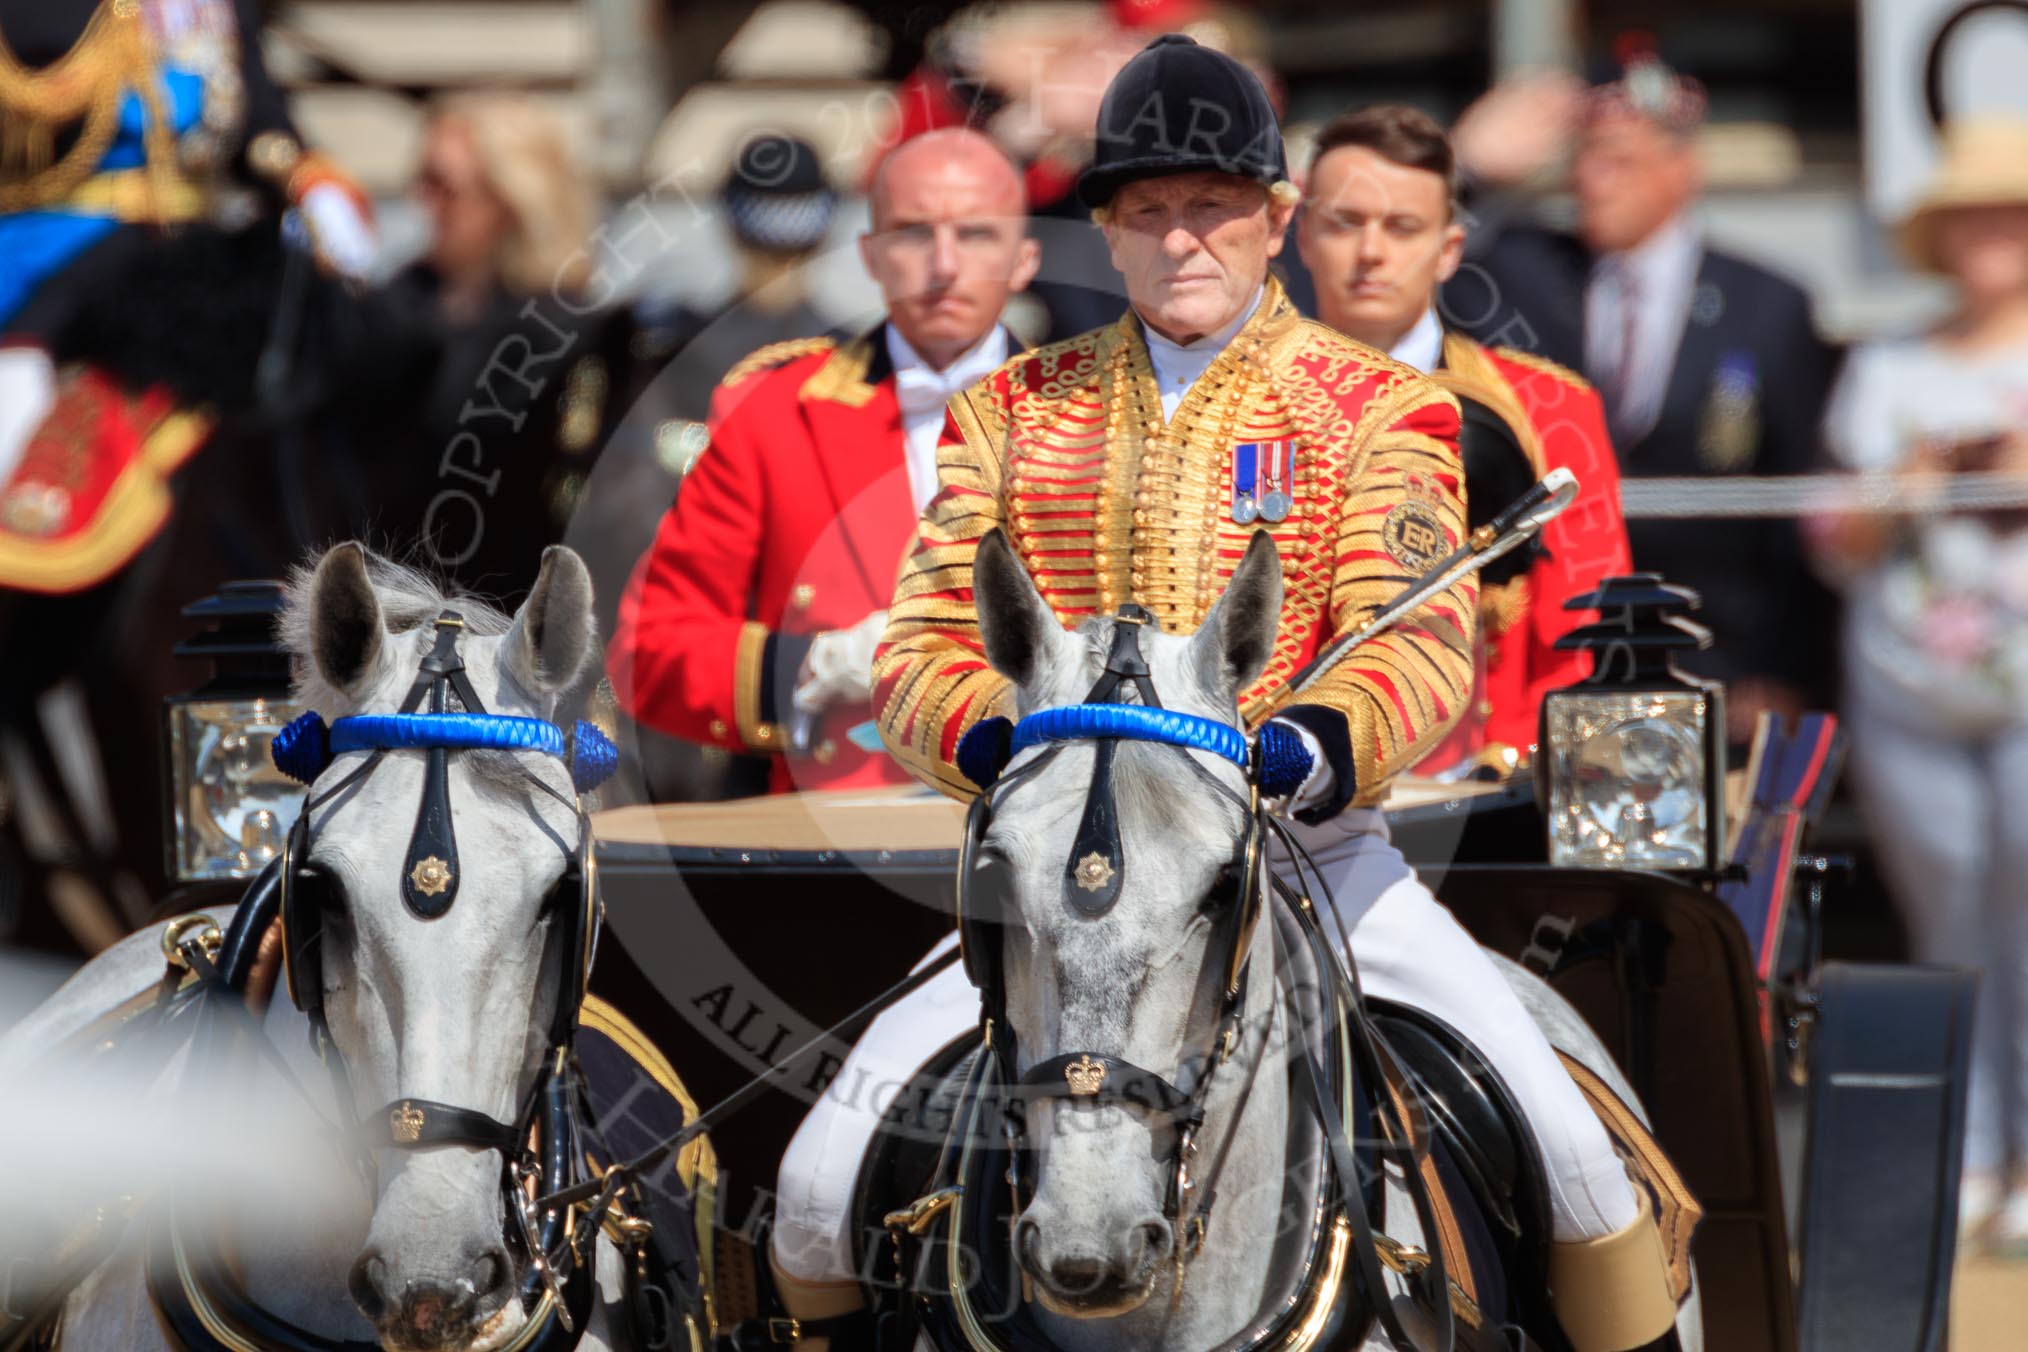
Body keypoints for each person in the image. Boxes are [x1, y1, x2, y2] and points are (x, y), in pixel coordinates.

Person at [771, 36, 1680, 1352]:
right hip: (1058, 877)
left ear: (1273, 222)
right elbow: (924, 642)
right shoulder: (1013, 414)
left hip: (1311, 851)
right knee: (810, 1189)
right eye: (1149, 210)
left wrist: (1317, 740)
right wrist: (992, 738)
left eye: (1211, 207)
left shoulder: (1382, 409)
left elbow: (1414, 643)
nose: (1182, 237)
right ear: (1109, 232)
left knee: (1582, 1174)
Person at [607, 129, 1041, 793]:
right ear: (870, 253)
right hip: (835, 829)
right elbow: (651, 652)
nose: (944, 264)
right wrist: (813, 667)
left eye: (976, 234)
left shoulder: (1099, 414)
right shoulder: (772, 411)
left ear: (1024, 259)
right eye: (913, 233)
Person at [1441, 42, 1839, 744]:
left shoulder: (1766, 304)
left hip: (1721, 660)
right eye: (1584, 160)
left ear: (1683, 168)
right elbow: (1403, 257)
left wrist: (1786, 669)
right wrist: (1465, 164)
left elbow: (1801, 508)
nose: (1592, 183)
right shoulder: (1524, 274)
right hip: (1557, 649)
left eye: (1620, 161)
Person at [1809, 116, 2028, 1256]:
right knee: (1948, 916)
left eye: (2014, 211)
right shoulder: (1888, 365)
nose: (1995, 231)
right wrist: (1921, 478)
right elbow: (1832, 537)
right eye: (1977, 212)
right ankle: (1975, 1150)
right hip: (1907, 684)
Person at [1295, 104, 1631, 774]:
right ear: (1301, 235)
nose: (1371, 252)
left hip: (1487, 780)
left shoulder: (1550, 408)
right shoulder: (1242, 399)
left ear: (1450, 249)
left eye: (1402, 227)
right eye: (1345, 222)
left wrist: (1511, 769)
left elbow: (1585, 628)